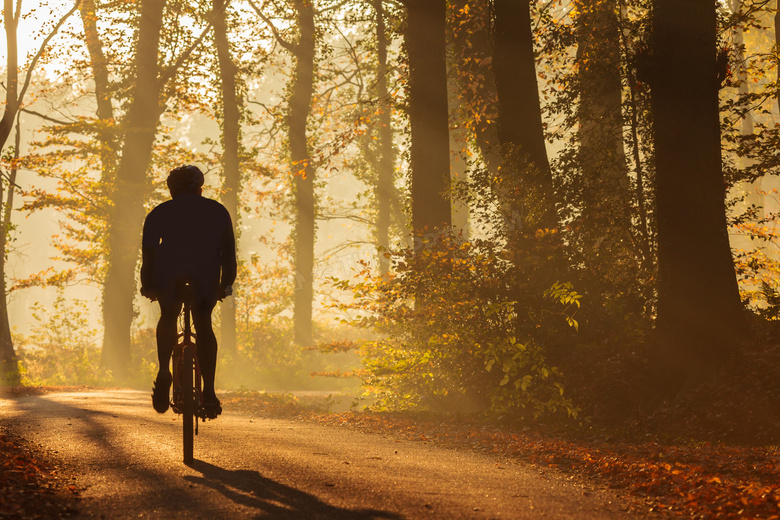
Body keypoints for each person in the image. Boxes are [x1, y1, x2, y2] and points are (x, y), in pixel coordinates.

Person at [140, 165, 237, 418]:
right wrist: (226, 284)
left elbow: (149, 254)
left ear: (171, 191)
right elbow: (228, 253)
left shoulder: (159, 213)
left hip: (168, 274)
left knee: (168, 316)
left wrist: (148, 284)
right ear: (200, 188)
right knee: (203, 324)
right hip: (205, 275)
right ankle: (210, 392)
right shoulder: (217, 211)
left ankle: (164, 370)